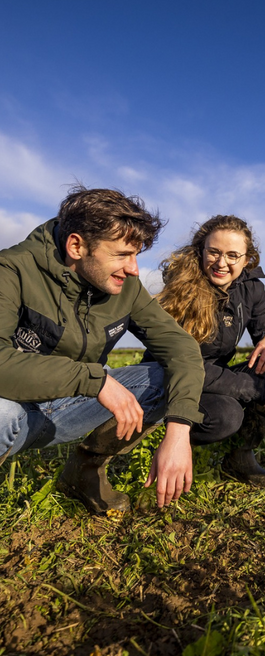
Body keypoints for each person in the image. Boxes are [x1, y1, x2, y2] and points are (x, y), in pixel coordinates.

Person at [0, 186, 205, 514]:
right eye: (123, 255)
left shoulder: (127, 288)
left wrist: (180, 428)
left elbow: (181, 348)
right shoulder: (11, 270)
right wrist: (96, 380)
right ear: (77, 245)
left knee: (162, 377)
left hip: (69, 407)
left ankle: (84, 471)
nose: (135, 269)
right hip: (15, 406)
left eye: (136, 255)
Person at [152, 214, 265, 487]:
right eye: (214, 252)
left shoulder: (251, 288)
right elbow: (186, 365)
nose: (222, 263)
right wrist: (258, 391)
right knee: (226, 415)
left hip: (214, 376)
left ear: (246, 260)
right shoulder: (182, 288)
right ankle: (165, 438)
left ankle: (240, 457)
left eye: (233, 255)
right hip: (173, 380)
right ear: (201, 251)